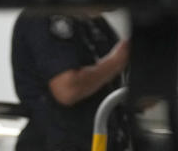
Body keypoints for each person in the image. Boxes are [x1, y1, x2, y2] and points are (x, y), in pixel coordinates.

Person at [11, 10, 131, 150]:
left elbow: (120, 90)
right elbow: (67, 89)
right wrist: (116, 61)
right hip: (57, 141)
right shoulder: (43, 16)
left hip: (101, 140)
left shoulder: (95, 22)